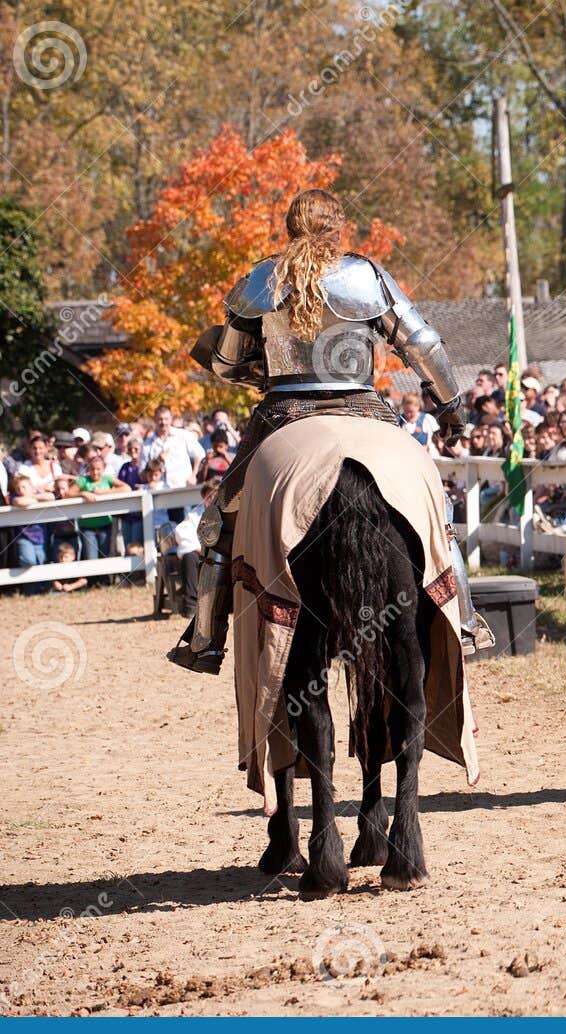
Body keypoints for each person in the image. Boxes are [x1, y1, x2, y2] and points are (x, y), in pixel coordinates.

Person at [170, 188, 487, 674]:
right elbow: (421, 343)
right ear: (338, 227)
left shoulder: (262, 279)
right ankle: (464, 624)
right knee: (435, 510)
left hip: (283, 412)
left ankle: (206, 641)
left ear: (290, 226)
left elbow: (229, 364)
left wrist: (262, 369)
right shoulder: (365, 275)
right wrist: (450, 407)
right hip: (364, 408)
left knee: (217, 522)